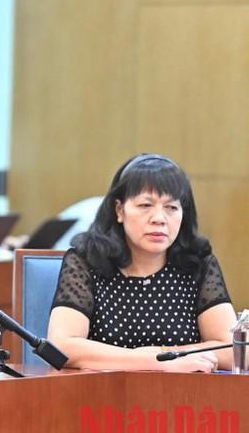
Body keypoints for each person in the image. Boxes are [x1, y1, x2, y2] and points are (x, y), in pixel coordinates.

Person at [47, 154, 237, 372]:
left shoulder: (197, 262)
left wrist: (161, 354)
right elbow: (62, 346)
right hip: (102, 396)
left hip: (182, 398)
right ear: (119, 210)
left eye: (172, 207)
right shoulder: (85, 260)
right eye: (146, 205)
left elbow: (233, 350)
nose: (159, 218)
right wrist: (159, 360)